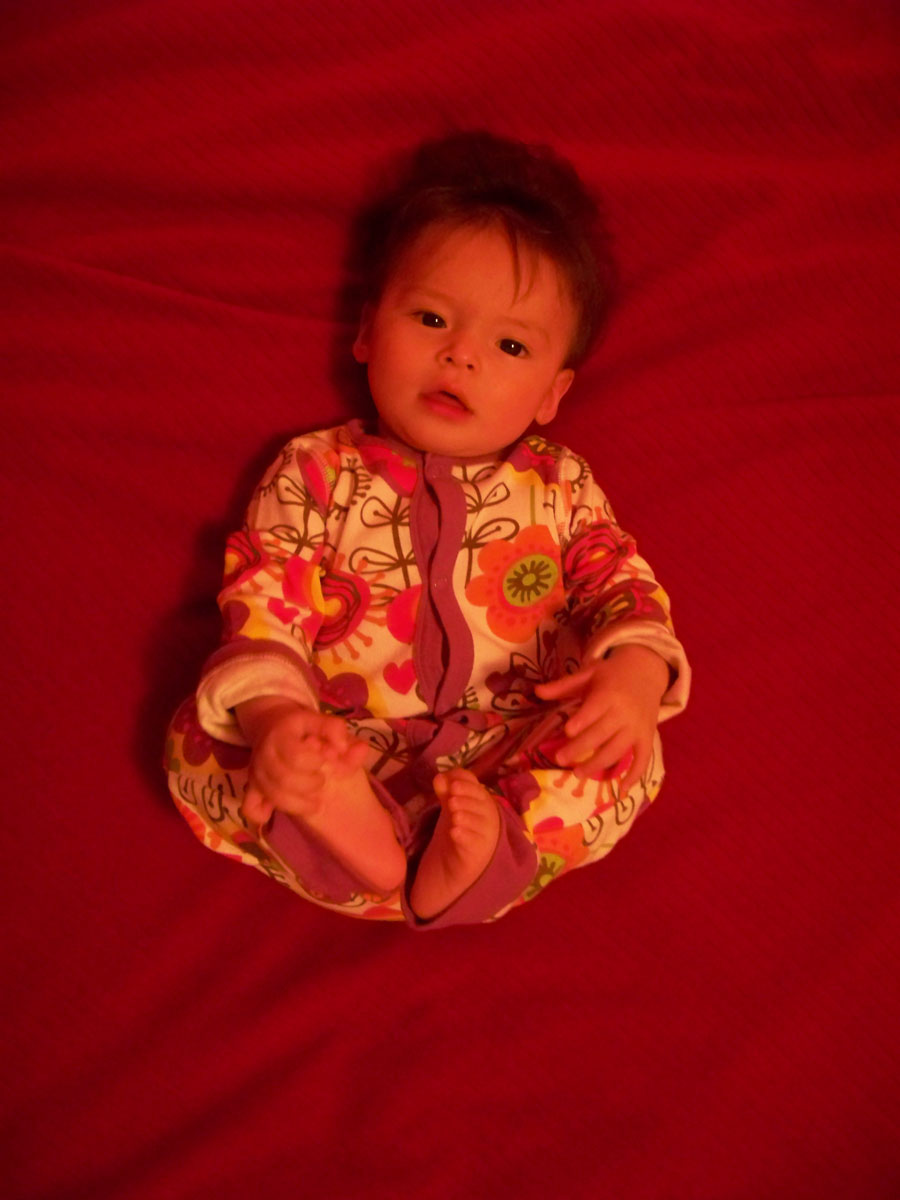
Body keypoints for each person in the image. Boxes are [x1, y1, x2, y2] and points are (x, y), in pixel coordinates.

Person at [165, 131, 690, 928]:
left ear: (552, 394)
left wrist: (639, 675)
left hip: (509, 753)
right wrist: (280, 726)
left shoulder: (559, 486)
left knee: (622, 749)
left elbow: (619, 584)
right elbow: (267, 599)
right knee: (201, 742)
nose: (461, 356)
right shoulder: (317, 470)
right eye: (433, 317)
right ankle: (351, 836)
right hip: (343, 745)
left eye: (509, 344)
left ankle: (480, 855)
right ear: (368, 331)